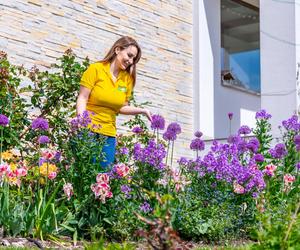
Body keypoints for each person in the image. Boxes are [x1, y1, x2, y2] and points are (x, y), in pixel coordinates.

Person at [76, 36, 151, 168]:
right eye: (129, 55)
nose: (131, 61)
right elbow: (82, 97)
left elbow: (122, 107)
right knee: (83, 175)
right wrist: (81, 122)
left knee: (103, 177)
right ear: (117, 50)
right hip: (88, 131)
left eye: (134, 59)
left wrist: (142, 111)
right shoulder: (96, 69)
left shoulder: (127, 79)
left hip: (108, 135)